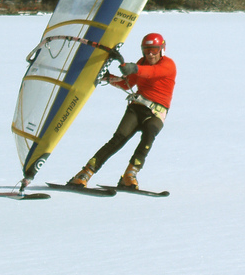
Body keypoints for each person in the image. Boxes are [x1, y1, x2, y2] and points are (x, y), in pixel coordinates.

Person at [67, 32, 176, 190]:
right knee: (118, 139)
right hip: (137, 108)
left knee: (148, 137)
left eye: (154, 49)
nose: (150, 53)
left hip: (157, 113)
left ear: (162, 49)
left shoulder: (168, 65)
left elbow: (151, 72)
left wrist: (134, 68)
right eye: (146, 50)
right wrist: (109, 78)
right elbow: (127, 84)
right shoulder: (142, 62)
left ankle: (129, 175)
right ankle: (84, 173)